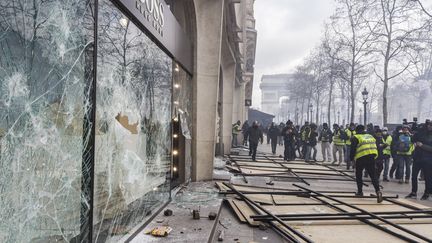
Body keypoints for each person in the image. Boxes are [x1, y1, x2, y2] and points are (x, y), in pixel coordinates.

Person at [350, 125, 383, 203]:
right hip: (371, 157)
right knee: (373, 175)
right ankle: (378, 191)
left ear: (356, 130)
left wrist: (352, 160)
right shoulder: (370, 136)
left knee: (359, 175)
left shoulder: (356, 137)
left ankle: (360, 192)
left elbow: (352, 150)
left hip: (361, 157)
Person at [406, 121, 432, 200]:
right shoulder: (421, 133)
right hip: (417, 158)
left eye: (431, 125)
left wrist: (422, 145)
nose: (429, 127)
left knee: (427, 177)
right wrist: (413, 136)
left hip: (427, 159)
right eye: (428, 125)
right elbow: (412, 140)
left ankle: (427, 193)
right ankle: (413, 192)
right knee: (414, 176)